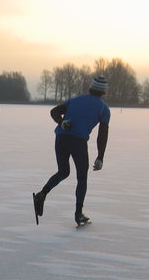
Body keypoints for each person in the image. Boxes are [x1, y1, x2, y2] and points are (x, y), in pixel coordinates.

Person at [33, 75, 111, 226]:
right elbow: (102, 135)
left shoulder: (75, 100)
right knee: (82, 177)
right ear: (104, 92)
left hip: (61, 138)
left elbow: (54, 111)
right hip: (78, 143)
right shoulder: (104, 108)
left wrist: (61, 122)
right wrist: (100, 156)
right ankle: (78, 213)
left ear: (91, 87)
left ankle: (42, 194)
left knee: (63, 172)